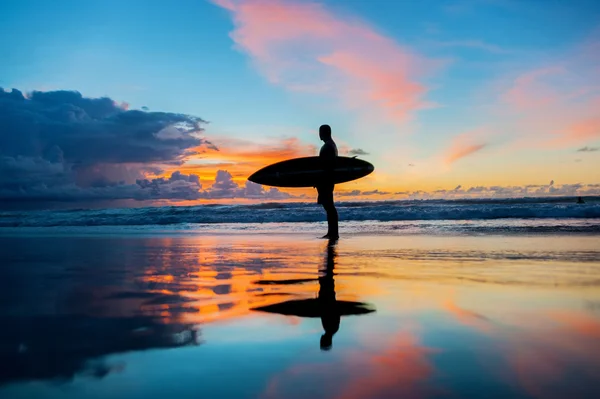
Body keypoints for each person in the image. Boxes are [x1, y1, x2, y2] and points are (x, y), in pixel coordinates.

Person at [316, 124, 339, 239]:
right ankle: (332, 232)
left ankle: (333, 233)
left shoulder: (328, 147)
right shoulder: (331, 145)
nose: (319, 134)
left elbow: (326, 168)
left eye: (320, 132)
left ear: (324, 133)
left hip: (326, 181)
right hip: (328, 181)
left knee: (329, 206)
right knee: (329, 206)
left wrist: (319, 182)